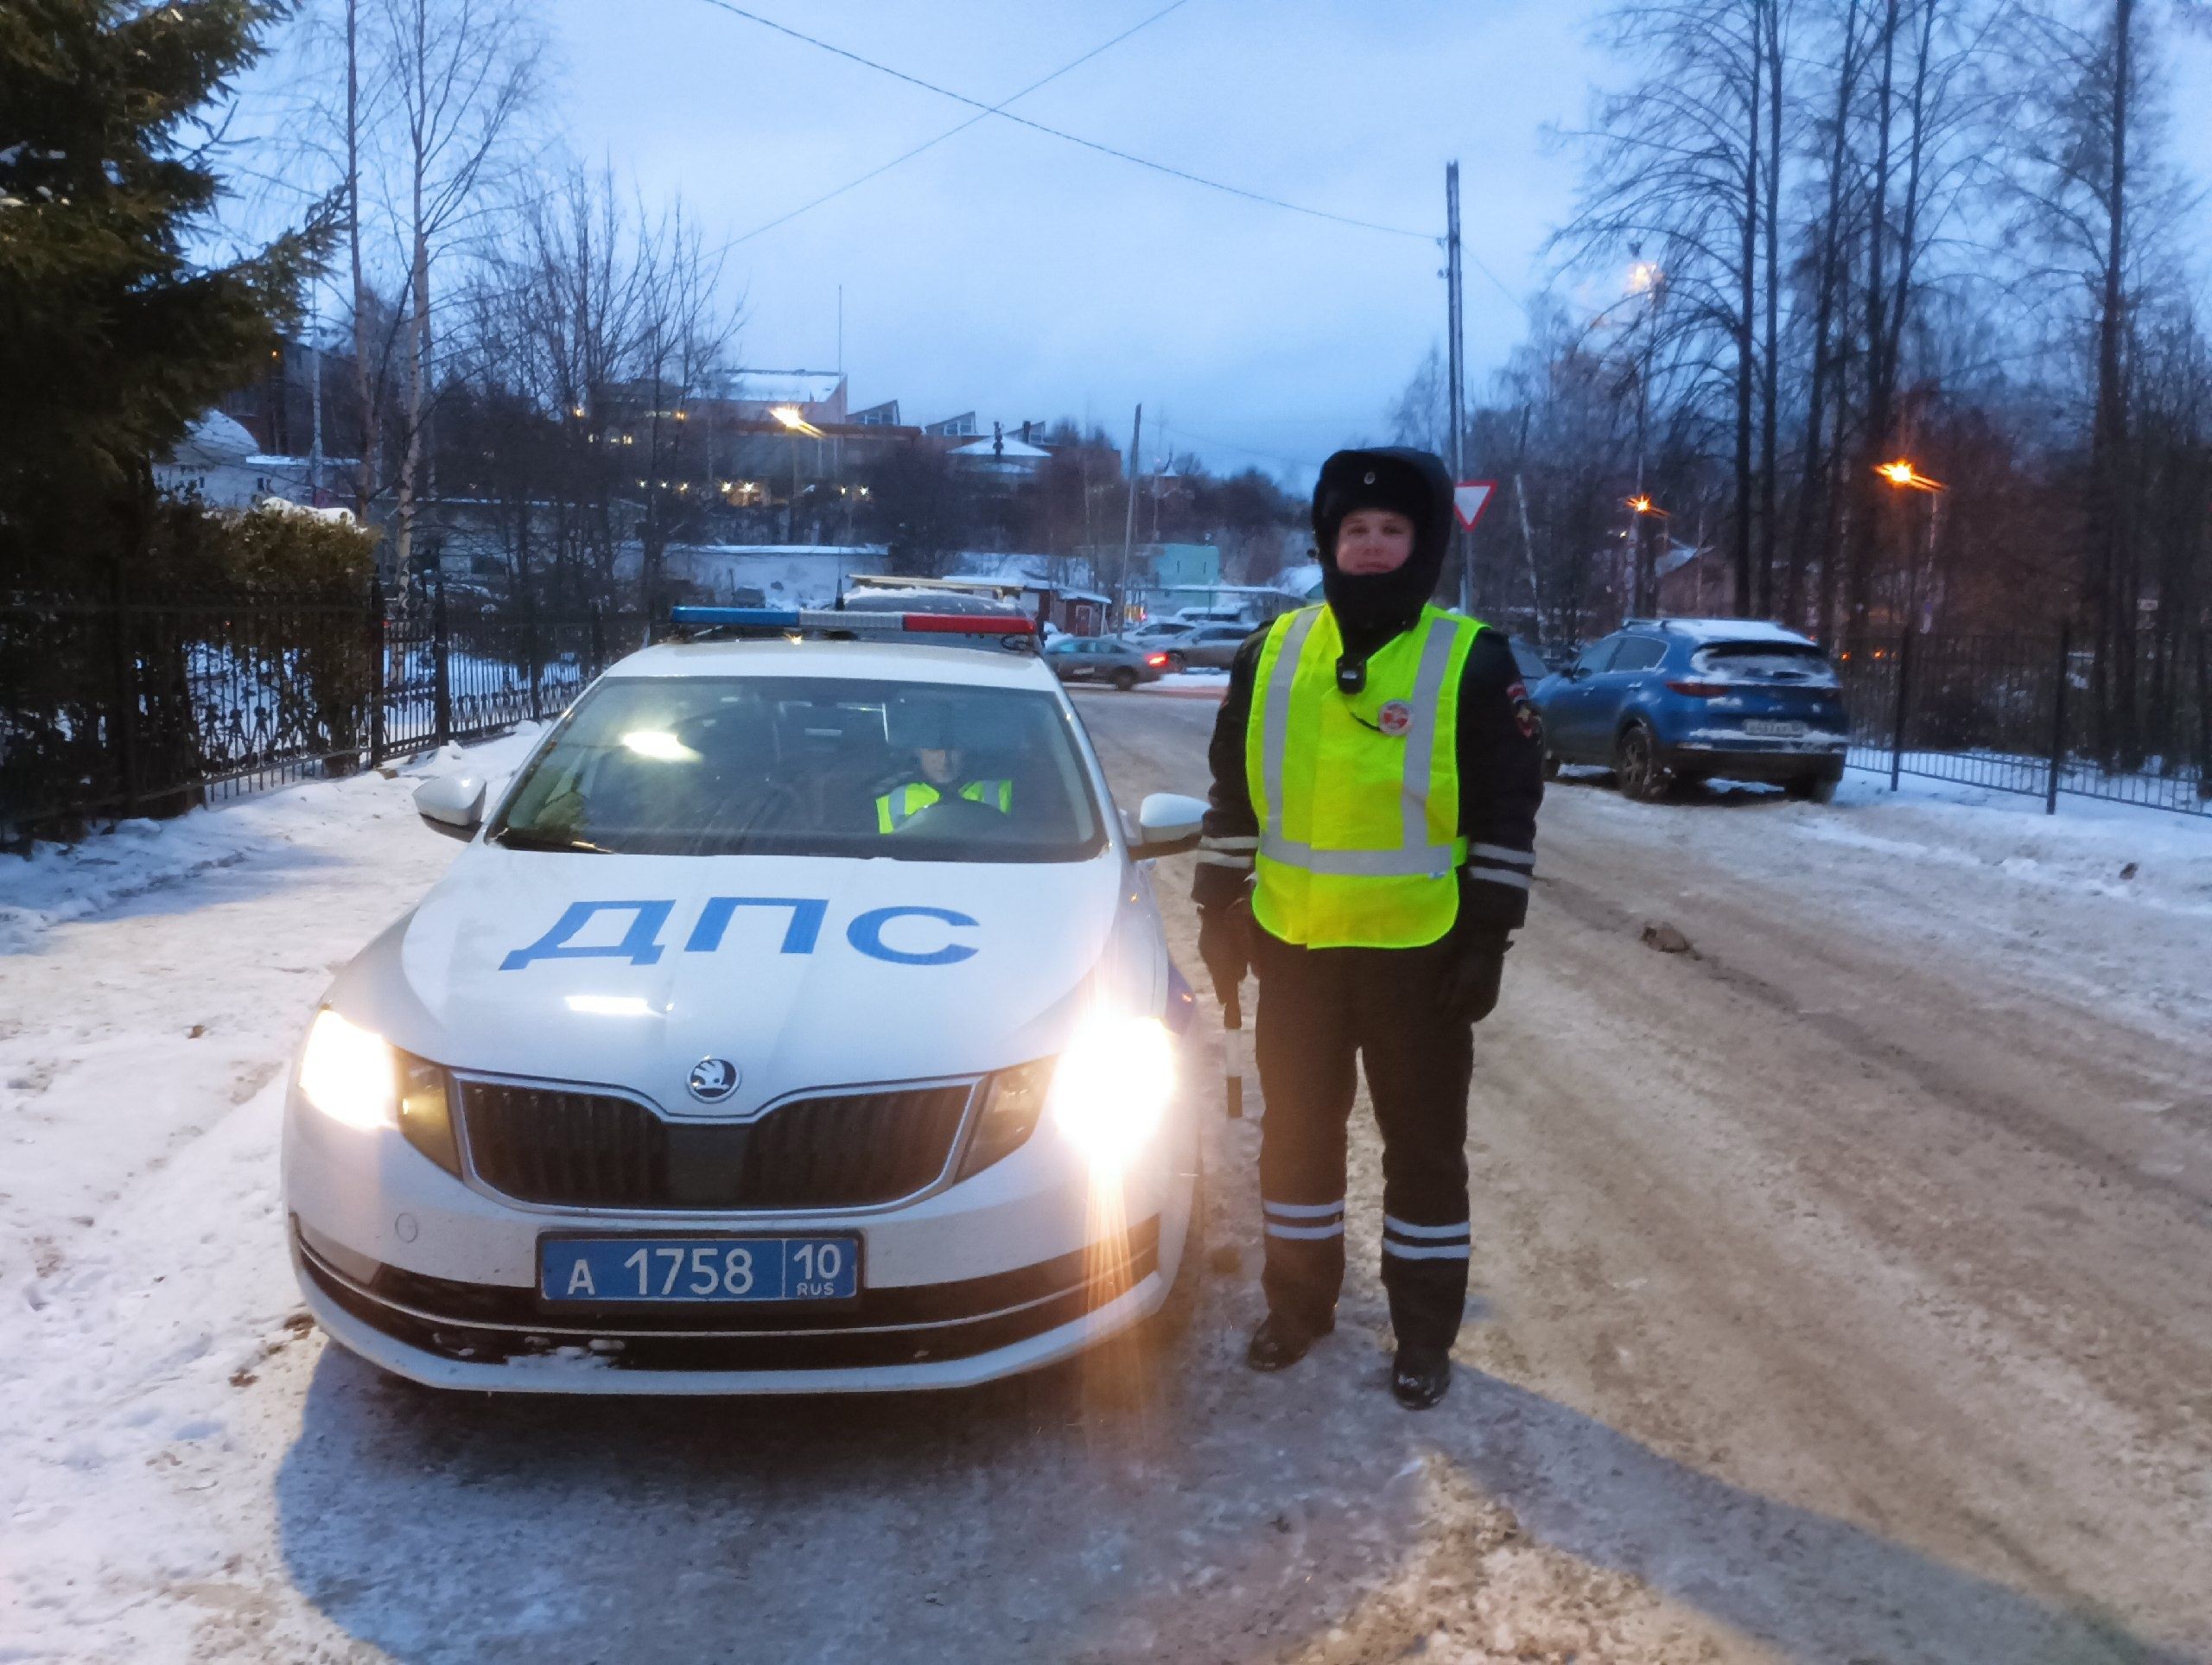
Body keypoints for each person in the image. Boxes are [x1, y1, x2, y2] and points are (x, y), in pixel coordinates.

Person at [1192, 446, 1543, 1409]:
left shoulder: (1472, 659)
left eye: (1394, 529)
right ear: (1328, 541)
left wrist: (1487, 939)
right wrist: (1216, 907)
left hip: (1419, 958)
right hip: (1295, 951)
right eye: (1356, 528)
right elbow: (1233, 794)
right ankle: (1297, 1307)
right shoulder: (1271, 652)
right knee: (1295, 1143)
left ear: (1422, 544)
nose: (1374, 544)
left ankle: (1422, 1332)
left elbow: (1508, 811)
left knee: (1423, 1152)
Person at [873, 733, 1014, 833]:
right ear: (917, 751)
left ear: (966, 750)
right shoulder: (888, 797)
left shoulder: (1006, 791)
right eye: (933, 749)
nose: (944, 760)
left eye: (953, 749)